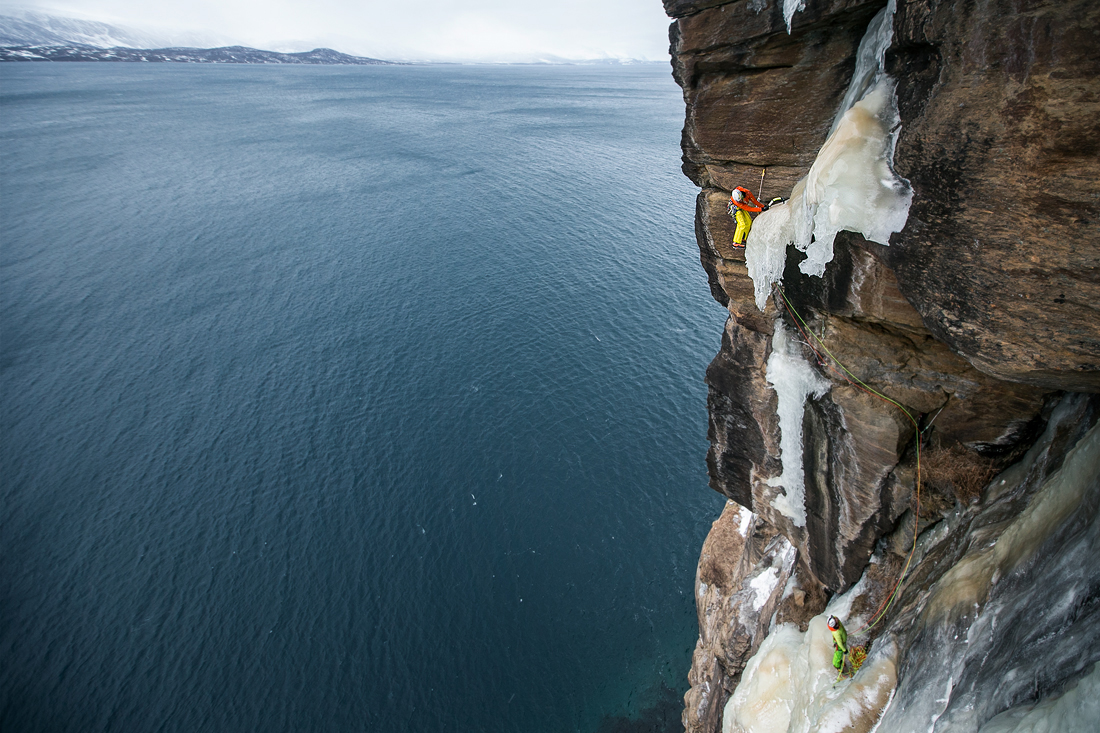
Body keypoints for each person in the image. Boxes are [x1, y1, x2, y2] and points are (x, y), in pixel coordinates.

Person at [827, 615, 849, 680]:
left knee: (835, 662)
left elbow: (840, 643)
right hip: (841, 641)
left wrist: (844, 650)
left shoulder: (836, 631)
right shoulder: (837, 630)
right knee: (836, 661)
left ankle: (841, 670)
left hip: (840, 645)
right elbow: (839, 642)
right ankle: (841, 667)